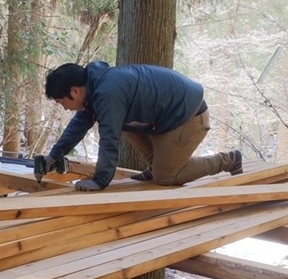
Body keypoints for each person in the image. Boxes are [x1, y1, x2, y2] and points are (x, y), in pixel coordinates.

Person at [41, 60, 242, 192]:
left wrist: (99, 180)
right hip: (166, 118)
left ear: (74, 91)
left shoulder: (108, 92)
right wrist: (54, 156)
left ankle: (228, 160)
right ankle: (155, 167)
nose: (65, 108)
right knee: (117, 122)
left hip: (188, 117)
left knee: (167, 177)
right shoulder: (96, 87)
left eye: (61, 102)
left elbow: (109, 138)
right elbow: (79, 124)